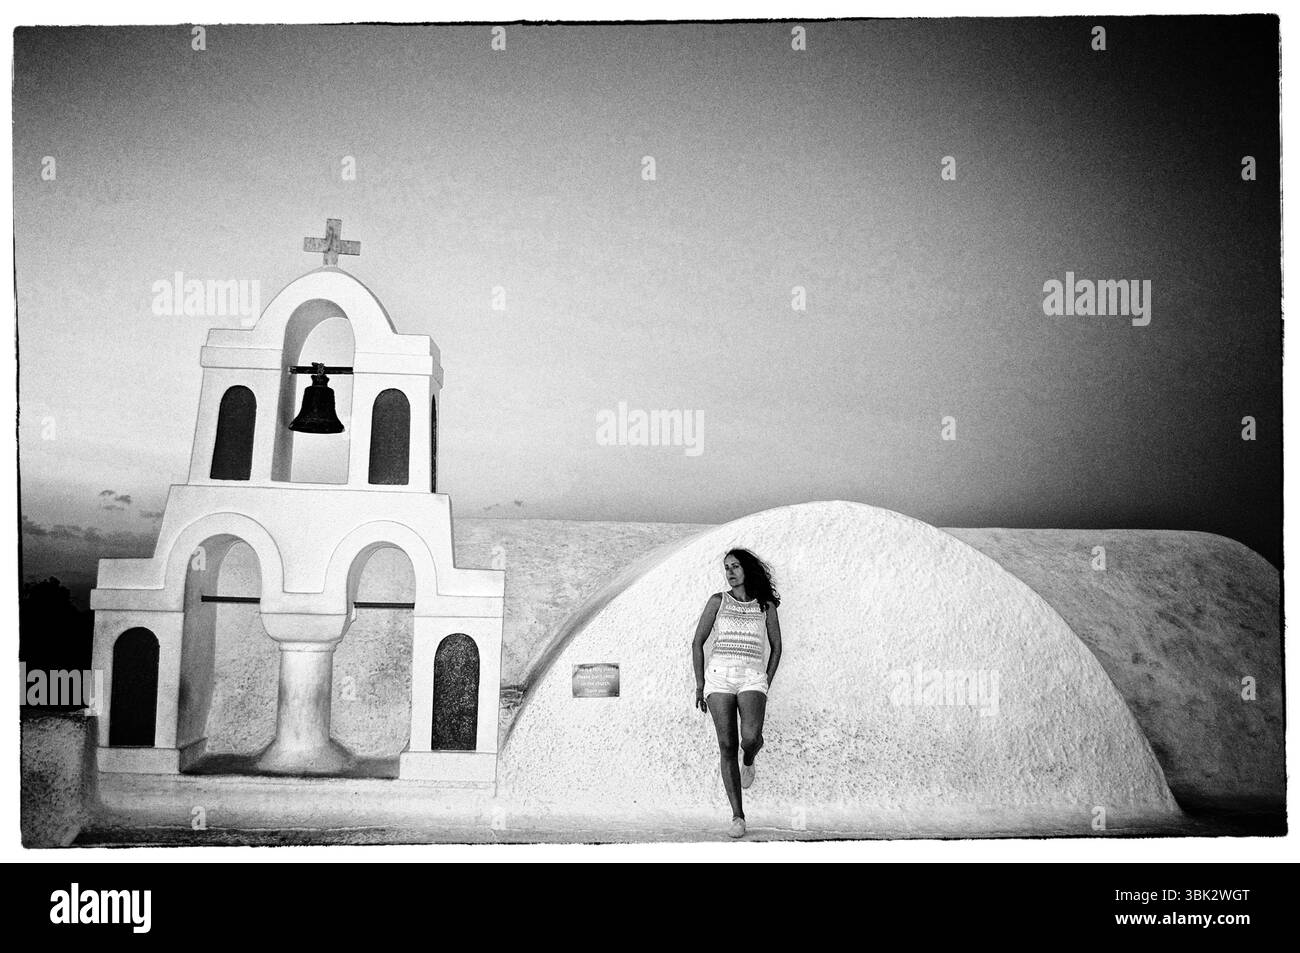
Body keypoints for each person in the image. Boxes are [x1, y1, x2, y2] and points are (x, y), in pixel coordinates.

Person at [692, 548, 782, 839]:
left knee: (751, 738)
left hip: (752, 678)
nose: (730, 572)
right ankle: (738, 816)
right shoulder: (718, 601)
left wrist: (765, 680)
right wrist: (699, 684)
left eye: (736, 566)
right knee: (727, 744)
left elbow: (776, 646)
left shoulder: (765, 605)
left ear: (748, 570)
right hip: (719, 679)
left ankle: (750, 759)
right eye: (726, 567)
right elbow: (697, 643)